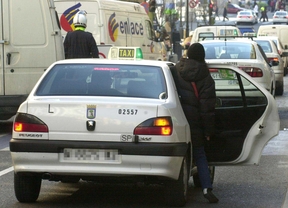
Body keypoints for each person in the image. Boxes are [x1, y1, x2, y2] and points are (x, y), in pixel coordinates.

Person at [173, 43, 218, 203]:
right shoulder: (205, 76)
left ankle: (177, 184)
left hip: (176, 118)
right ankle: (206, 188)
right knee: (200, 154)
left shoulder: (176, 70)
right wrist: (208, 132)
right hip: (195, 121)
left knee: (180, 155)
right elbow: (207, 108)